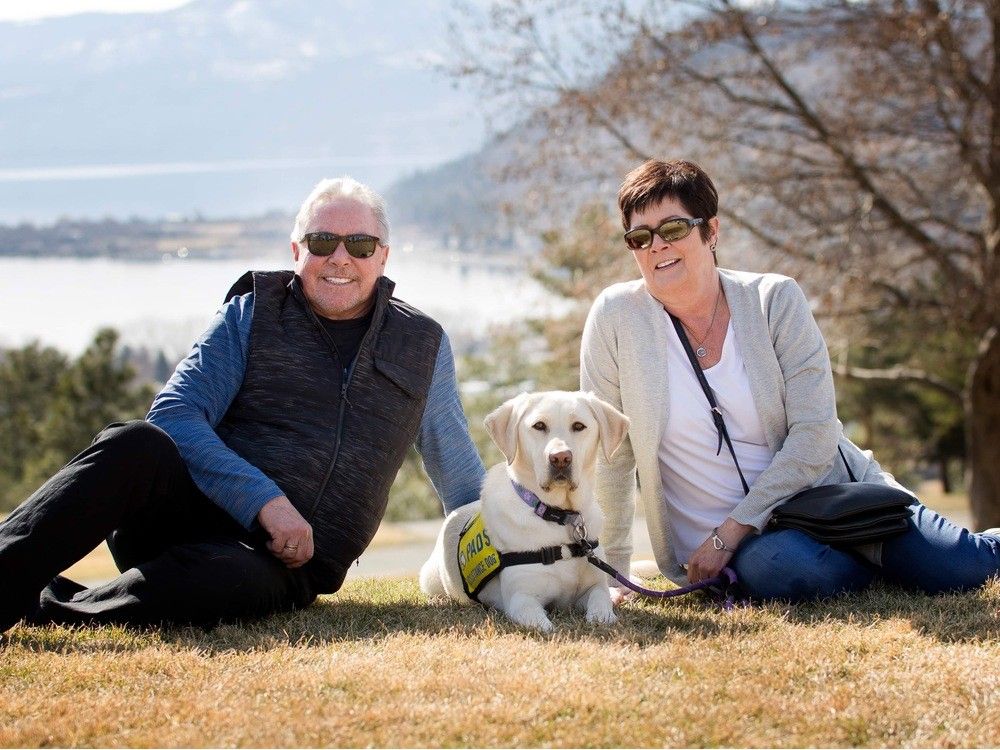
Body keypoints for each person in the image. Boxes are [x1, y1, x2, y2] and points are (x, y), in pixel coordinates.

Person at [0, 176, 485, 633]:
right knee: (135, 444)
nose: (340, 258)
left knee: (227, 578)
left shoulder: (422, 344)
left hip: (286, 566)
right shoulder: (252, 313)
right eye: (322, 242)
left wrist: (505, 556)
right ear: (296, 250)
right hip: (187, 520)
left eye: (359, 244)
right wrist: (265, 503)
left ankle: (49, 606)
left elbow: (458, 474)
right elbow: (174, 415)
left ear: (383, 256)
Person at [581, 158, 1000, 602]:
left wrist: (733, 528)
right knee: (789, 569)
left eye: (673, 229)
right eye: (640, 237)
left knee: (961, 566)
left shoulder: (775, 299)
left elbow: (815, 434)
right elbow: (609, 453)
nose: (657, 246)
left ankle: (894, 557)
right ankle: (880, 568)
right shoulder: (616, 317)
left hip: (836, 502)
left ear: (712, 231)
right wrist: (613, 573)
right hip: (755, 548)